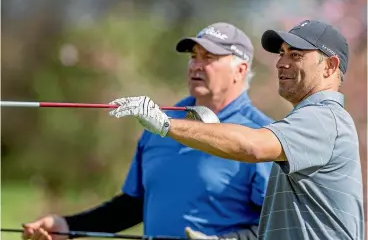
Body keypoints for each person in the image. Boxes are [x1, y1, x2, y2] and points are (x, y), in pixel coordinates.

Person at [107, 20, 364, 240]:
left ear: (330, 66)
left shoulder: (324, 118)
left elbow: (252, 146)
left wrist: (164, 124)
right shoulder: (307, 120)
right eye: (282, 54)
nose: (281, 63)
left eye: (295, 55)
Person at [22, 23, 274, 240]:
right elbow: (136, 203)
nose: (196, 65)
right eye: (194, 56)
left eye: (209, 57)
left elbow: (279, 224)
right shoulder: (160, 122)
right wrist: (69, 227)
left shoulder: (263, 137)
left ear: (240, 70)